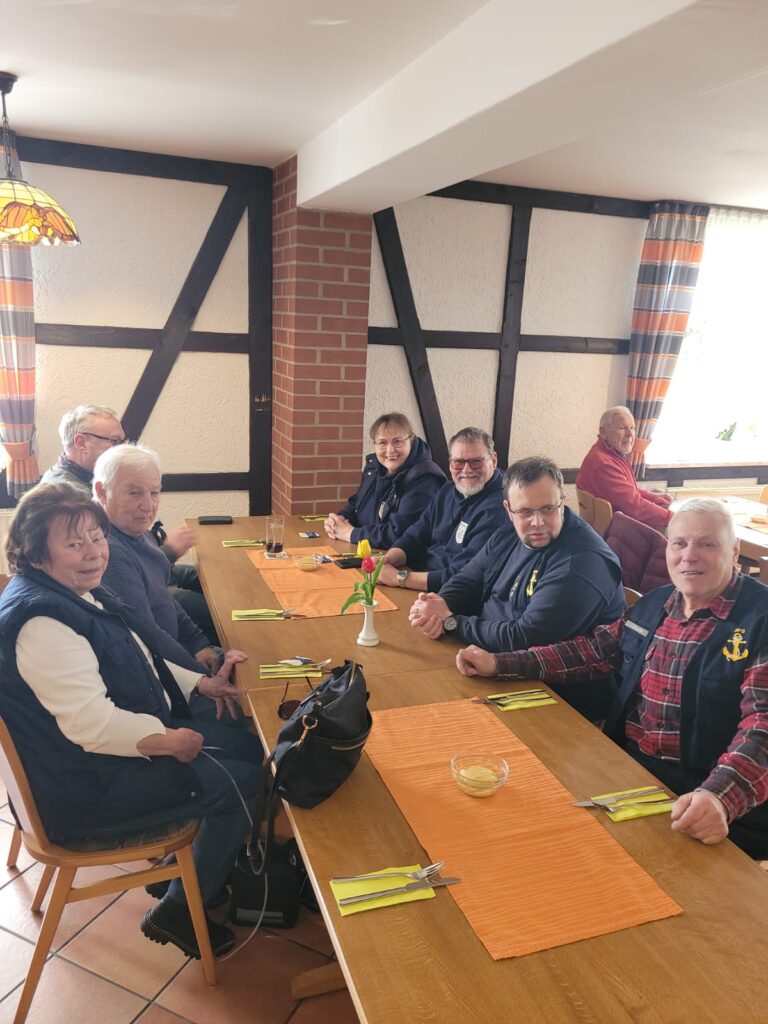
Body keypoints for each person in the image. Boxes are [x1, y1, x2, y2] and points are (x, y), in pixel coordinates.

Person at [0, 483, 264, 956]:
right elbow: (91, 726)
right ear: (36, 554)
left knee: (248, 745)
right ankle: (180, 909)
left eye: (96, 537)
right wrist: (169, 740)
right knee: (248, 779)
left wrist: (199, 685)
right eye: (74, 543)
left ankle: (190, 869)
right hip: (85, 790)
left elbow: (138, 655)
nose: (93, 552)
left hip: (98, 761)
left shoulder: (73, 590)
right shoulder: (42, 621)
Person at [456, 499, 768, 858]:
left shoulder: (760, 621)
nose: (689, 556)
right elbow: (592, 652)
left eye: (707, 544)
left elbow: (762, 728)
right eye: (679, 543)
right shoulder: (657, 604)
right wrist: (500, 664)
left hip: (704, 798)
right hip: (628, 771)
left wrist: (721, 797)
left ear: (734, 551)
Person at [409, 456, 625, 718]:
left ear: (562, 501)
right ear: (508, 510)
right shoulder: (509, 532)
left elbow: (525, 638)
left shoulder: (583, 560)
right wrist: (439, 605)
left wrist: (451, 622)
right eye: (525, 512)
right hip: (491, 663)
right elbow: (469, 579)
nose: (537, 522)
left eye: (548, 509)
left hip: (556, 697)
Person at [42, 404, 214, 640]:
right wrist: (171, 549)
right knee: (212, 606)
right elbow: (115, 565)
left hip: (146, 565)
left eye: (123, 441)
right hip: (127, 578)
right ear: (81, 443)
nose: (122, 448)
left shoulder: (93, 477)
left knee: (211, 576)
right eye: (114, 441)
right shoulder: (72, 498)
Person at [94, 444, 220, 677]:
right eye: (134, 493)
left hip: (178, 655)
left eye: (154, 493)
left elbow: (163, 598)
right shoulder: (110, 553)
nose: (148, 506)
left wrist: (199, 644)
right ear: (102, 492)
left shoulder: (137, 532)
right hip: (160, 674)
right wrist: (200, 678)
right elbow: (148, 636)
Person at [375, 427, 506, 591]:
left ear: (493, 460)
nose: (466, 470)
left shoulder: (500, 507)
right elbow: (417, 533)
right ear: (450, 464)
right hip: (417, 580)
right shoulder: (448, 490)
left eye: (476, 462)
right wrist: (387, 560)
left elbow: (465, 575)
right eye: (458, 462)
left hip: (449, 595)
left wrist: (398, 578)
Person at [324, 412, 445, 549]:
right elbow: (357, 505)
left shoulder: (425, 479)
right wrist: (337, 521)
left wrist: (351, 534)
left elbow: (401, 535)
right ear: (374, 444)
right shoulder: (374, 469)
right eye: (382, 443)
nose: (390, 450)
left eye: (397, 442)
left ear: (411, 440)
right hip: (370, 551)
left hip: (407, 560)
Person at [576, 405, 672, 531]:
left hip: (615, 526)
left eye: (632, 428)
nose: (629, 434)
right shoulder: (604, 463)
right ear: (603, 432)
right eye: (622, 428)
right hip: (617, 532)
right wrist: (673, 518)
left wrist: (655, 498)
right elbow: (635, 507)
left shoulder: (608, 454)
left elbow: (628, 490)